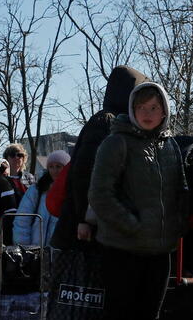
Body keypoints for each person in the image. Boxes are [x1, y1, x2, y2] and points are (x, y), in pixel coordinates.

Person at [88, 82, 188, 320]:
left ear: (164, 111)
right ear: (131, 110)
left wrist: (177, 225)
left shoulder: (170, 145)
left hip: (159, 251)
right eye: (141, 107)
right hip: (122, 249)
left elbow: (180, 191)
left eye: (154, 107)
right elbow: (99, 195)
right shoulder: (116, 143)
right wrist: (133, 225)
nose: (147, 113)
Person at [51, 65, 148, 250]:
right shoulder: (106, 121)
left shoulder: (122, 123)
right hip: (86, 228)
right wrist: (83, 219)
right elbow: (84, 173)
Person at [13, 150, 68, 247]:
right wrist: (24, 247)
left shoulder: (72, 191)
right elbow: (22, 220)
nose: (54, 170)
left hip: (61, 251)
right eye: (51, 166)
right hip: (36, 250)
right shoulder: (36, 190)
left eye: (58, 166)